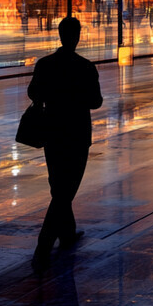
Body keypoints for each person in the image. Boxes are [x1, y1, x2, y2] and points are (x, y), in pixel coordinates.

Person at [28, 17, 103, 271]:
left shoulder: (45, 64)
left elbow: (33, 93)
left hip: (52, 131)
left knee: (58, 183)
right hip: (77, 133)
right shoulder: (85, 67)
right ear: (77, 36)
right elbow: (96, 102)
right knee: (66, 189)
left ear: (59, 35)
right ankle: (43, 246)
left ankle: (68, 233)